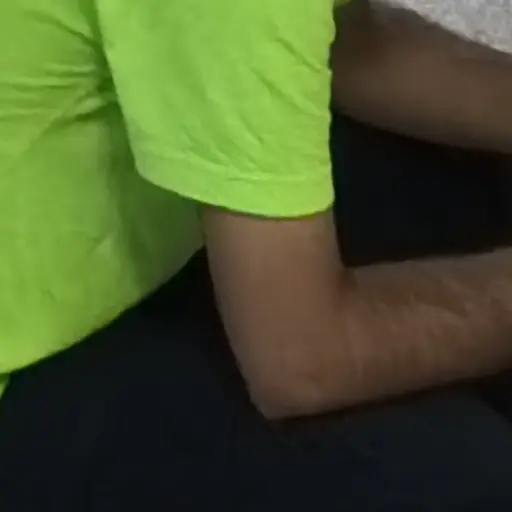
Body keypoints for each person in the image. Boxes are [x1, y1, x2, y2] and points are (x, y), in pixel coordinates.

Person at [2, 0, 512, 510]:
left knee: (481, 192)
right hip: (30, 363)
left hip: (143, 222)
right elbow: (301, 360)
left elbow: (345, 39)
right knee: (464, 476)